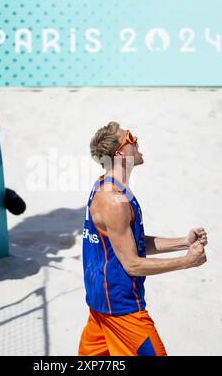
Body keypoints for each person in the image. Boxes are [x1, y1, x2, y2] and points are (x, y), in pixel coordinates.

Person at [78, 121, 208, 356]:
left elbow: (132, 245)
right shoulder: (113, 201)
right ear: (119, 153)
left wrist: (183, 242)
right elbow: (132, 264)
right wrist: (187, 262)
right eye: (129, 137)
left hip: (102, 307)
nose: (136, 139)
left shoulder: (111, 188)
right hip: (122, 310)